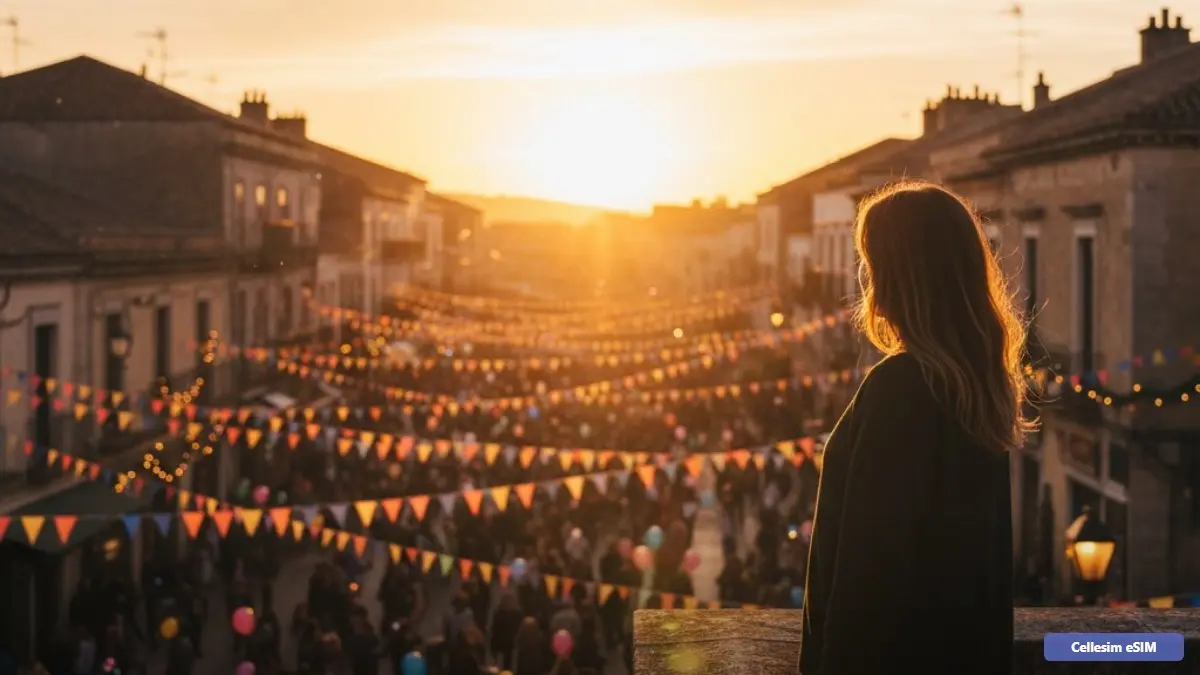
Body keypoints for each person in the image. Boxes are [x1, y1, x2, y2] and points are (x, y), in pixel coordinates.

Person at [798, 181, 1026, 675]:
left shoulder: (902, 389)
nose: (867, 281)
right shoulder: (972, 389)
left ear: (902, 275)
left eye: (873, 263)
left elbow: (871, 579)